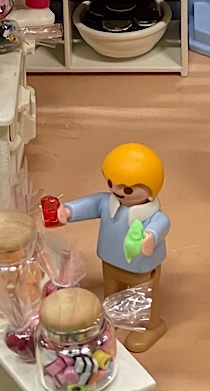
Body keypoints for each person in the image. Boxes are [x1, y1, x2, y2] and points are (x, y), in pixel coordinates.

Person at [57, 143, 170, 352]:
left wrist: (150, 237)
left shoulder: (151, 215)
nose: (117, 191)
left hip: (140, 267)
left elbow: (162, 224)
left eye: (127, 189)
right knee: (111, 292)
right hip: (110, 261)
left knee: (146, 297)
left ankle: (151, 326)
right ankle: (114, 316)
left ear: (150, 192)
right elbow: (91, 204)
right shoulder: (108, 202)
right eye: (112, 183)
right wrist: (69, 211)